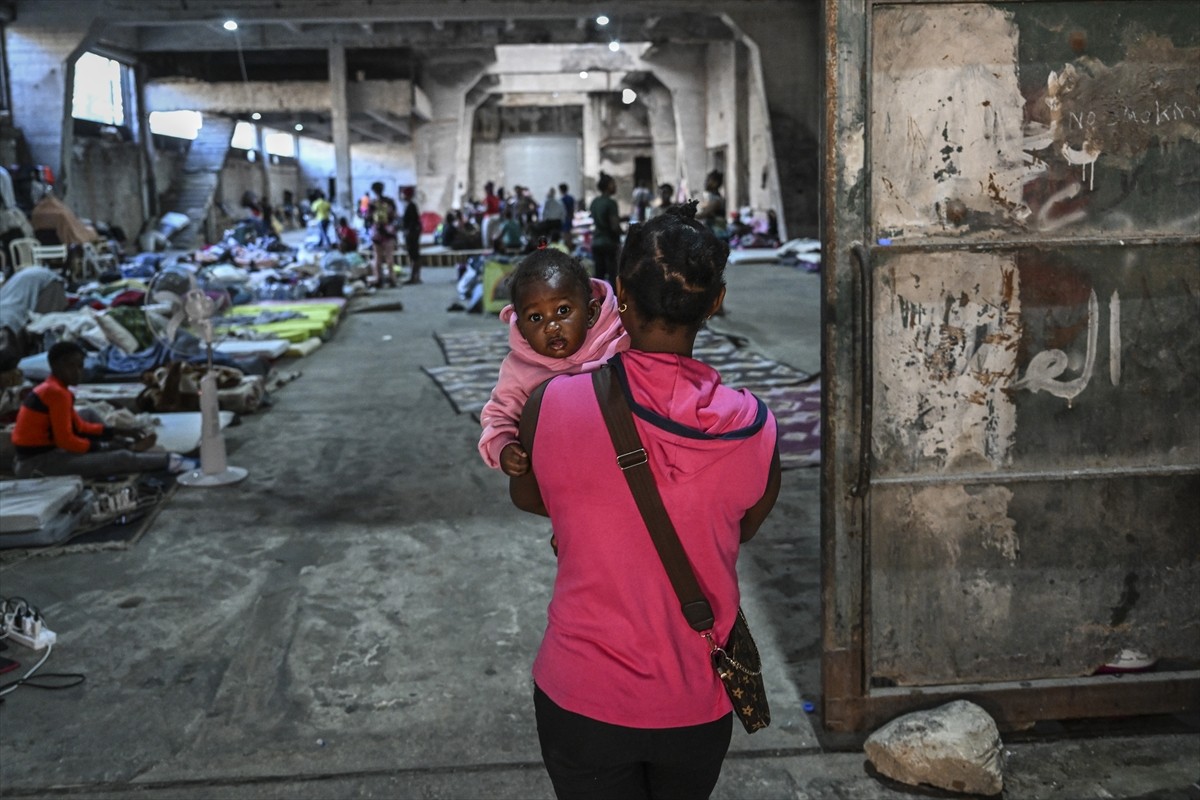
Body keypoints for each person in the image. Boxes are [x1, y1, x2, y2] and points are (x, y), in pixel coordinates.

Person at [509, 202, 782, 800]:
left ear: (619, 294)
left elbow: (530, 495)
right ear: (715, 302)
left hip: (580, 695)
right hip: (693, 703)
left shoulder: (551, 404)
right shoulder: (755, 429)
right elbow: (741, 527)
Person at [478, 245, 628, 476]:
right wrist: (503, 446)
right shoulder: (519, 369)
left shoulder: (619, 341)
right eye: (536, 317)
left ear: (590, 313)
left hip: (625, 466)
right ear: (521, 327)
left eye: (563, 310)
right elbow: (498, 416)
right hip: (565, 476)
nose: (551, 326)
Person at [11, 341, 196, 479]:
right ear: (55, 366)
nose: (77, 372)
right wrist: (103, 446)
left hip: (49, 452)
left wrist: (115, 432)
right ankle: (170, 461)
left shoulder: (55, 388)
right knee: (119, 458)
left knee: (89, 414)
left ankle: (128, 446)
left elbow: (78, 426)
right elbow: (66, 440)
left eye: (80, 367)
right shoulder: (56, 393)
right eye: (71, 366)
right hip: (37, 464)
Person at [588, 172, 622, 286]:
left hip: (596, 242)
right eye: (613, 184)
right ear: (608, 186)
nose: (615, 186)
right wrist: (624, 231)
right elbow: (614, 227)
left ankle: (600, 303)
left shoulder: (595, 202)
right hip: (609, 244)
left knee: (599, 278)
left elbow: (599, 220)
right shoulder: (611, 203)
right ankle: (614, 303)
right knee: (614, 277)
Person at [367, 182, 398, 288]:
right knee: (389, 258)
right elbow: (394, 215)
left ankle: (378, 279)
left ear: (374, 191)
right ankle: (392, 279)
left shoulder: (372, 203)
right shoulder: (390, 201)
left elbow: (367, 217)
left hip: (376, 233)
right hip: (388, 232)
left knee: (377, 258)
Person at [695, 170, 728, 240]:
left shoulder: (716, 199)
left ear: (715, 183)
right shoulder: (710, 198)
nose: (706, 182)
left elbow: (704, 214)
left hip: (718, 236)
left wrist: (686, 215)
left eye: (709, 180)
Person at [401, 186, 423, 284]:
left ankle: (414, 277)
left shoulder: (411, 206)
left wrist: (408, 232)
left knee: (414, 255)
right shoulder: (409, 205)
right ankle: (415, 276)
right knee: (414, 255)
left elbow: (413, 221)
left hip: (412, 234)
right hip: (412, 233)